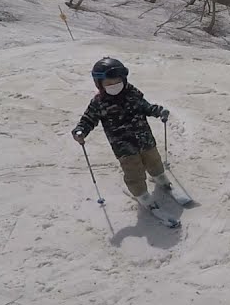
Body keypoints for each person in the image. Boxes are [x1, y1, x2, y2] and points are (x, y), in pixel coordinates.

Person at [72, 57, 173, 209]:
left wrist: (159, 111)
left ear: (124, 80)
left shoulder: (132, 93)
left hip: (145, 139)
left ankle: (159, 176)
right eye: (109, 84)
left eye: (117, 82)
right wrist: (80, 131)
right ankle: (142, 194)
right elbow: (88, 120)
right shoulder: (99, 103)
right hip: (123, 146)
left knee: (154, 160)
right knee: (134, 171)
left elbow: (146, 107)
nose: (114, 86)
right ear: (99, 84)